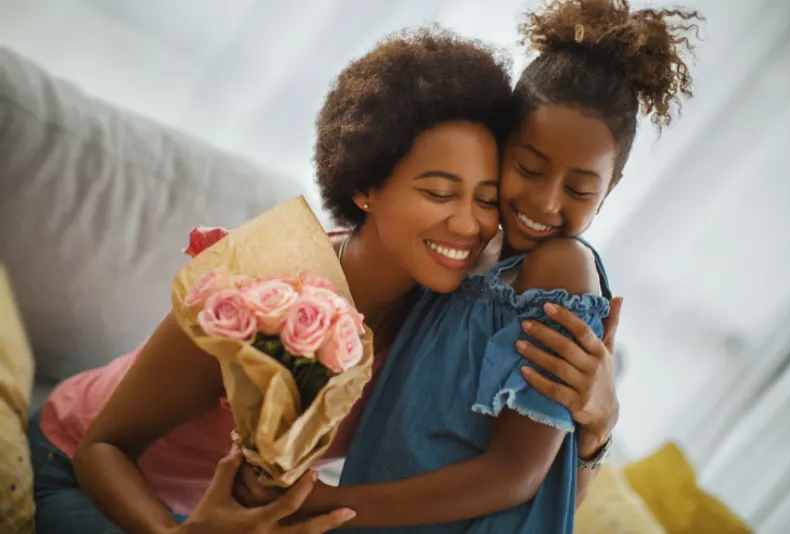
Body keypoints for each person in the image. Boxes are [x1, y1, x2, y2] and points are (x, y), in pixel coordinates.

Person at [26, 28, 619, 534]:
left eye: (485, 199)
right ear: (365, 186)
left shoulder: (445, 308)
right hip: (74, 468)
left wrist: (596, 428)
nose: (467, 224)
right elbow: (103, 448)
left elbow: (524, 486)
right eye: (438, 192)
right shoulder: (260, 286)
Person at [244, 1, 699, 532]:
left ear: (610, 191)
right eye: (528, 168)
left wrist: (329, 505)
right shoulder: (466, 254)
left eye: (578, 189)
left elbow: (515, 477)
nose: (547, 203)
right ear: (501, 146)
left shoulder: (562, 269)